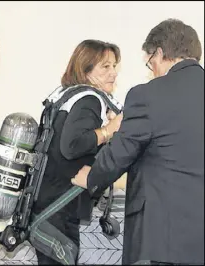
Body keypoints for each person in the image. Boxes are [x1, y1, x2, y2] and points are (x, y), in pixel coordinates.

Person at [72, 19, 204, 265]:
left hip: (161, 241)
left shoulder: (148, 94)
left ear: (161, 53)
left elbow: (120, 153)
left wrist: (91, 177)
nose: (152, 70)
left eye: (151, 63)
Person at [32, 39, 123, 265]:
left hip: (46, 203)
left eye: (114, 66)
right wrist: (109, 130)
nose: (113, 73)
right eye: (105, 66)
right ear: (86, 69)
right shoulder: (89, 99)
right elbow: (71, 146)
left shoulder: (66, 95)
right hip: (59, 209)